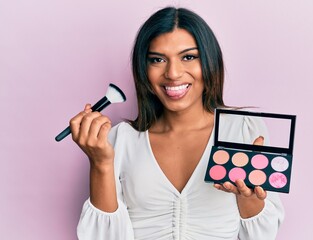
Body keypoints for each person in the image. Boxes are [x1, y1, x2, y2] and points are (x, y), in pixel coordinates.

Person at [70, 7, 284, 240]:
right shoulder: (120, 139)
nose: (173, 73)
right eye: (158, 59)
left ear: (210, 62)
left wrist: (248, 197)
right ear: (144, 68)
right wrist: (100, 163)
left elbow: (262, 236)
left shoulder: (244, 130)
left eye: (189, 57)